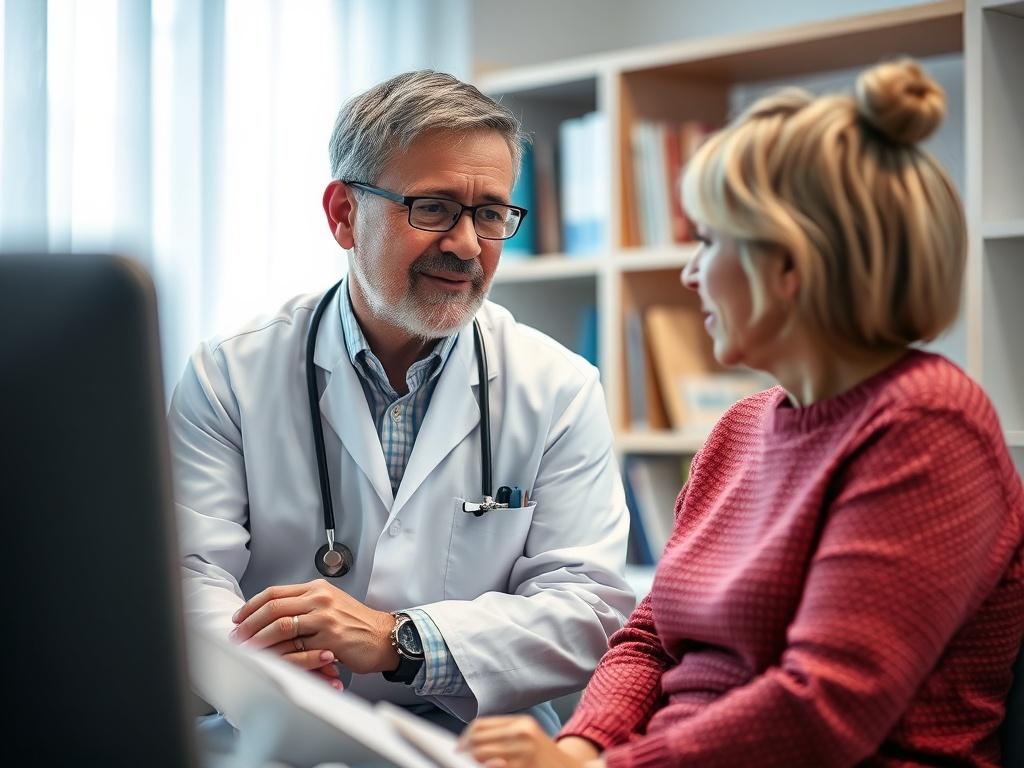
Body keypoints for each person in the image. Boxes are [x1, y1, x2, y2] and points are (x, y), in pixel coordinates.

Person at [460, 59, 1024, 767]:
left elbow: (823, 707)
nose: (691, 273)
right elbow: (650, 639)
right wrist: (580, 746)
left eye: (708, 242)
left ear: (789, 266)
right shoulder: (742, 427)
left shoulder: (928, 427)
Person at [169, 70, 634, 734]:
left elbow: (588, 608)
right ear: (343, 215)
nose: (468, 245)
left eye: (491, 213)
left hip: (475, 742)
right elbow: (186, 573)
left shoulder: (557, 386)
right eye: (434, 208)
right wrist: (261, 664)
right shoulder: (228, 374)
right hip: (274, 731)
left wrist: (403, 640)